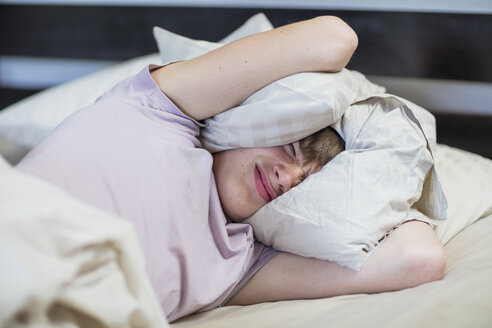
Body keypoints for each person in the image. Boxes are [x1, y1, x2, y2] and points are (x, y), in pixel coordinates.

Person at [16, 16, 446, 322]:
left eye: (307, 183)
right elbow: (333, 39)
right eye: (292, 148)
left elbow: (418, 258)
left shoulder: (240, 263)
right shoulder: (157, 109)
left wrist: (388, 147)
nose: (289, 178)